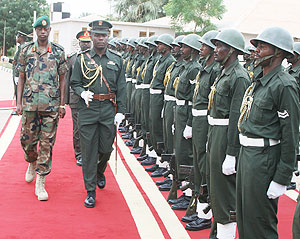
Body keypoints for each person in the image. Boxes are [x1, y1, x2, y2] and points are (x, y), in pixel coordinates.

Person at [237, 26, 300, 239]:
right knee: (245, 217)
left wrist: (282, 178)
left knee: (260, 223)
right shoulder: (260, 81)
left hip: (264, 161)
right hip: (248, 157)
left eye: (262, 48)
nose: (256, 52)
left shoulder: (284, 85)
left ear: (279, 53)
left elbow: (290, 135)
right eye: (257, 47)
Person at [70, 20, 126, 208]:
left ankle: (100, 171)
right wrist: (81, 92)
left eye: (103, 35)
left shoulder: (117, 59)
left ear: (108, 36)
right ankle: (90, 191)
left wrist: (122, 112)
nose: (100, 38)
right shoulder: (82, 58)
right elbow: (75, 82)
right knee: (88, 151)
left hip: (108, 109)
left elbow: (122, 88)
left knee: (106, 149)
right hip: (88, 109)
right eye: (97, 35)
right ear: (91, 36)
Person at [16, 16, 67, 201]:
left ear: (49, 30)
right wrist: (19, 102)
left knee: (46, 143)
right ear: (35, 31)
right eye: (39, 29)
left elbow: (63, 79)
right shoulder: (26, 50)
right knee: (27, 141)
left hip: (51, 106)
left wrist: (62, 103)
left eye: (45, 29)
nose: (42, 32)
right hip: (30, 104)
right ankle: (32, 160)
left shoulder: (58, 52)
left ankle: (41, 180)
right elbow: (21, 77)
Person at [207, 29, 250, 239]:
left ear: (231, 49)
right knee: (216, 185)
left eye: (220, 46)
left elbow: (236, 118)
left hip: (226, 135)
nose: (216, 50)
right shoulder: (222, 71)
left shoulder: (239, 76)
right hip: (216, 131)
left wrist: (232, 153)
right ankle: (219, 230)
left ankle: (226, 234)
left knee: (225, 190)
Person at [184, 30, 219, 231]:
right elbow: (195, 99)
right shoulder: (204, 69)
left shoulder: (214, 70)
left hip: (206, 121)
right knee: (198, 165)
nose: (201, 48)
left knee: (205, 167)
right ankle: (199, 207)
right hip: (197, 120)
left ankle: (206, 213)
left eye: (204, 45)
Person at [148, 34, 175, 177]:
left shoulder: (170, 61)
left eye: (160, 44)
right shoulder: (160, 60)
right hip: (154, 95)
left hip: (161, 95)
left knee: (159, 129)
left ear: (167, 46)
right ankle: (159, 160)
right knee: (153, 125)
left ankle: (164, 163)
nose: (158, 46)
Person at [65, 30, 92, 166]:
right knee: (78, 127)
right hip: (76, 98)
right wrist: (65, 101)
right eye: (84, 42)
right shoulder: (73, 58)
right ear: (79, 43)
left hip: (92, 98)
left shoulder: (95, 58)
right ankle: (79, 153)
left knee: (91, 126)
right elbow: (67, 79)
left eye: (88, 42)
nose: (86, 45)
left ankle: (91, 152)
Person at [1, 31, 30, 115]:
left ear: (21, 38)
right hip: (17, 72)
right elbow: (15, 61)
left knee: (19, 92)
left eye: (17, 37)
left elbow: (19, 62)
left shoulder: (22, 47)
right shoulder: (21, 47)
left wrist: (17, 75)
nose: (17, 38)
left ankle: (19, 109)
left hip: (18, 73)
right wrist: (8, 60)